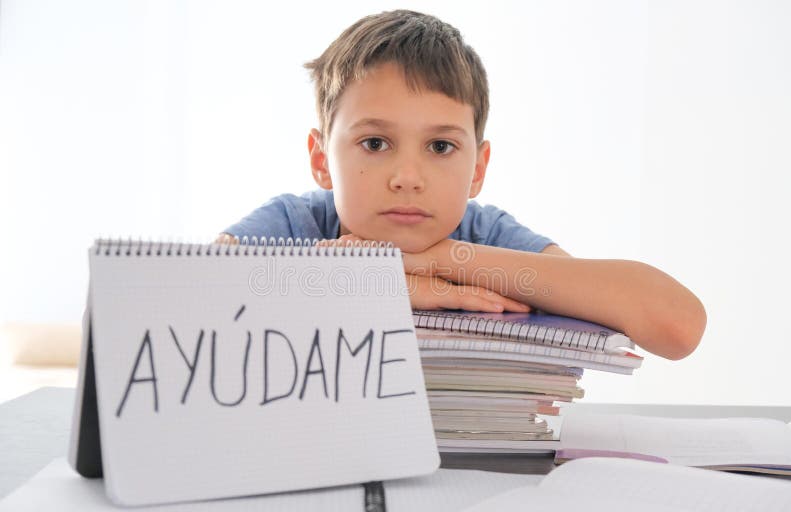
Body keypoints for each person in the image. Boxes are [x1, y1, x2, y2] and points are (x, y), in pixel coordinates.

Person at [219, 10, 705, 360]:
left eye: (440, 147)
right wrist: (371, 278)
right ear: (322, 159)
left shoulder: (487, 239)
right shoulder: (294, 224)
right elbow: (181, 306)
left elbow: (677, 326)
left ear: (478, 169)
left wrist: (439, 261)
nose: (406, 178)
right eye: (374, 143)